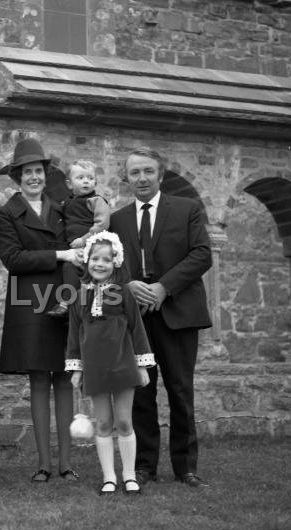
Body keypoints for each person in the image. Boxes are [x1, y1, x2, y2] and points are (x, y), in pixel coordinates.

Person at [109, 147, 212, 488]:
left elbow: (201, 255)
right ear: (127, 178)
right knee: (141, 392)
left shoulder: (187, 209)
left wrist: (164, 288)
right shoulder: (118, 219)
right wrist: (130, 284)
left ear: (160, 175)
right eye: (135, 172)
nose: (141, 178)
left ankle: (186, 466)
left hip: (179, 314)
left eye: (148, 171)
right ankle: (143, 465)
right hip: (135, 319)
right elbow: (108, 262)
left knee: (181, 392)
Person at [0, 137, 82, 482]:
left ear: (46, 175)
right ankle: (44, 464)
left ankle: (66, 464)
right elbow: (13, 259)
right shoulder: (5, 214)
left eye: (38, 171)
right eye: (27, 172)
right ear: (17, 177)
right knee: (39, 380)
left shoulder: (62, 209)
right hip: (28, 301)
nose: (34, 177)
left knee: (64, 379)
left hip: (63, 298)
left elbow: (81, 247)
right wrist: (60, 255)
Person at [65, 231, 154, 495]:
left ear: (116, 262)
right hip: (95, 368)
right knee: (103, 423)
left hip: (123, 365)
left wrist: (142, 365)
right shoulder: (79, 296)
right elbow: (74, 334)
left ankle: (129, 475)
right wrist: (76, 369)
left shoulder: (124, 292)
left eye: (106, 259)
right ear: (87, 260)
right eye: (95, 258)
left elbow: (137, 329)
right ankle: (109, 477)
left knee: (125, 422)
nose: (99, 264)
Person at [46, 159, 111, 319]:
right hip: (74, 250)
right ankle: (66, 304)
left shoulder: (96, 201)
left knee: (93, 276)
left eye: (90, 178)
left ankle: (96, 306)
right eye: (80, 178)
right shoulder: (66, 203)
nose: (86, 181)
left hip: (93, 246)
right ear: (69, 184)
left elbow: (102, 224)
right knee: (69, 270)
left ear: (95, 181)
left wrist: (84, 239)